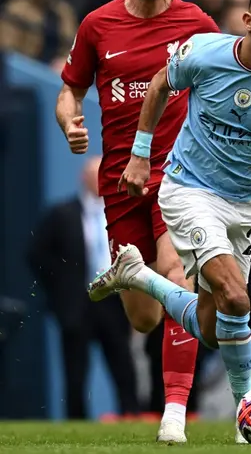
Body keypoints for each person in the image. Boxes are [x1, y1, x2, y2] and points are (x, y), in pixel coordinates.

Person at [88, 0, 251, 442]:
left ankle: (138, 276)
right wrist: (141, 154)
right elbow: (162, 82)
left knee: (211, 328)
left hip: (244, 207)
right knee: (237, 298)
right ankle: (248, 418)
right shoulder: (205, 52)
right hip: (188, 191)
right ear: (248, 21)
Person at [55, 0, 220, 443]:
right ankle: (131, 275)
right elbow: (69, 90)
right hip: (120, 183)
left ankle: (174, 412)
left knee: (177, 271)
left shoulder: (197, 23)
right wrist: (68, 119)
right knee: (145, 317)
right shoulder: (97, 26)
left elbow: (249, 68)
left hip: (182, 176)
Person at [28, 157, 140, 419]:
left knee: (123, 365)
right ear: (83, 178)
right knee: (75, 371)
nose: (100, 179)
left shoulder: (120, 212)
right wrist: (59, 294)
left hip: (114, 303)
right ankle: (76, 422)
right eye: (94, 174)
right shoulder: (62, 214)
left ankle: (132, 415)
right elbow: (36, 255)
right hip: (77, 305)